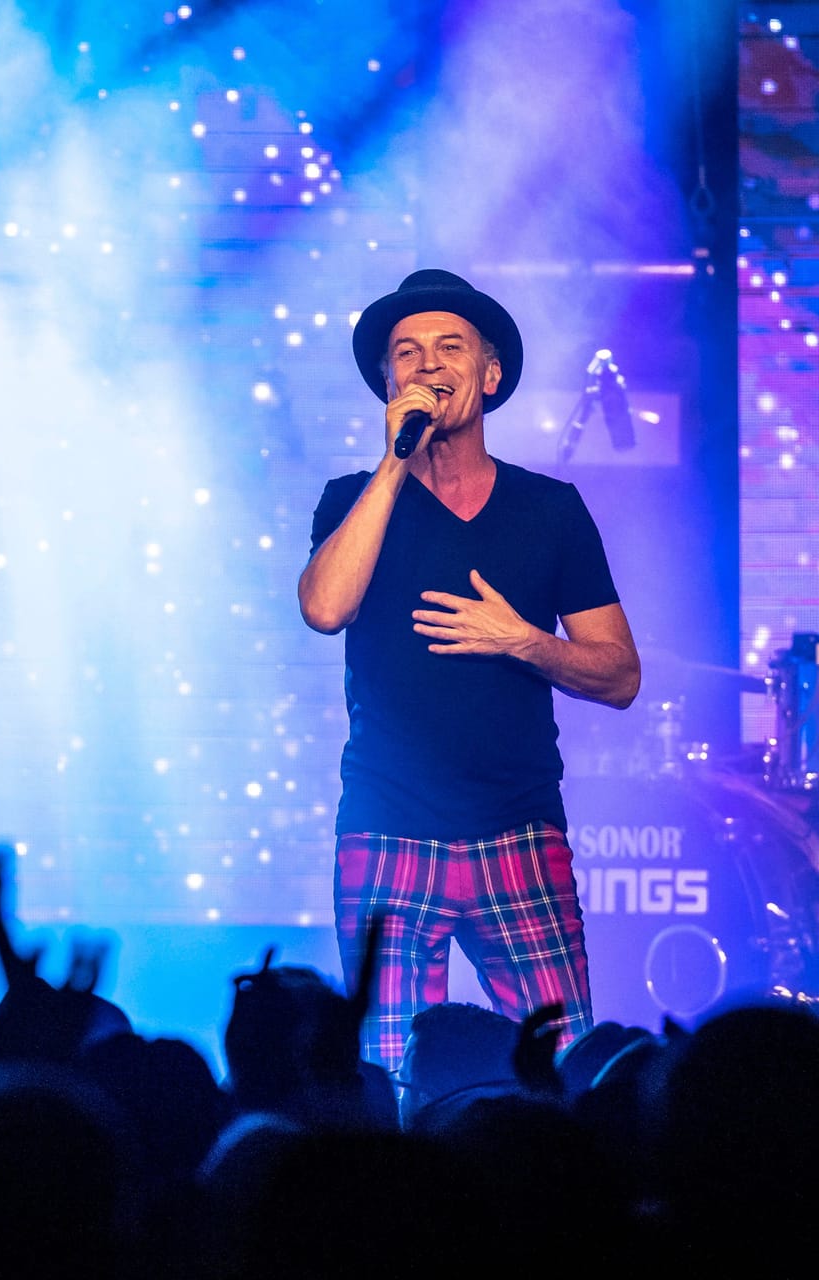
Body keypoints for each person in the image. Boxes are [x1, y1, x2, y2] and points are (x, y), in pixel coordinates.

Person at [297, 268, 640, 1069]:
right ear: (388, 382)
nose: (427, 364)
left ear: (489, 375)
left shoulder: (549, 510)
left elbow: (620, 676)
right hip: (387, 829)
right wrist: (393, 463)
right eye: (406, 353)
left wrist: (520, 639)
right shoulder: (351, 497)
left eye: (450, 347)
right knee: (389, 1072)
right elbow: (323, 608)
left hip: (517, 830)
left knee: (561, 1067)